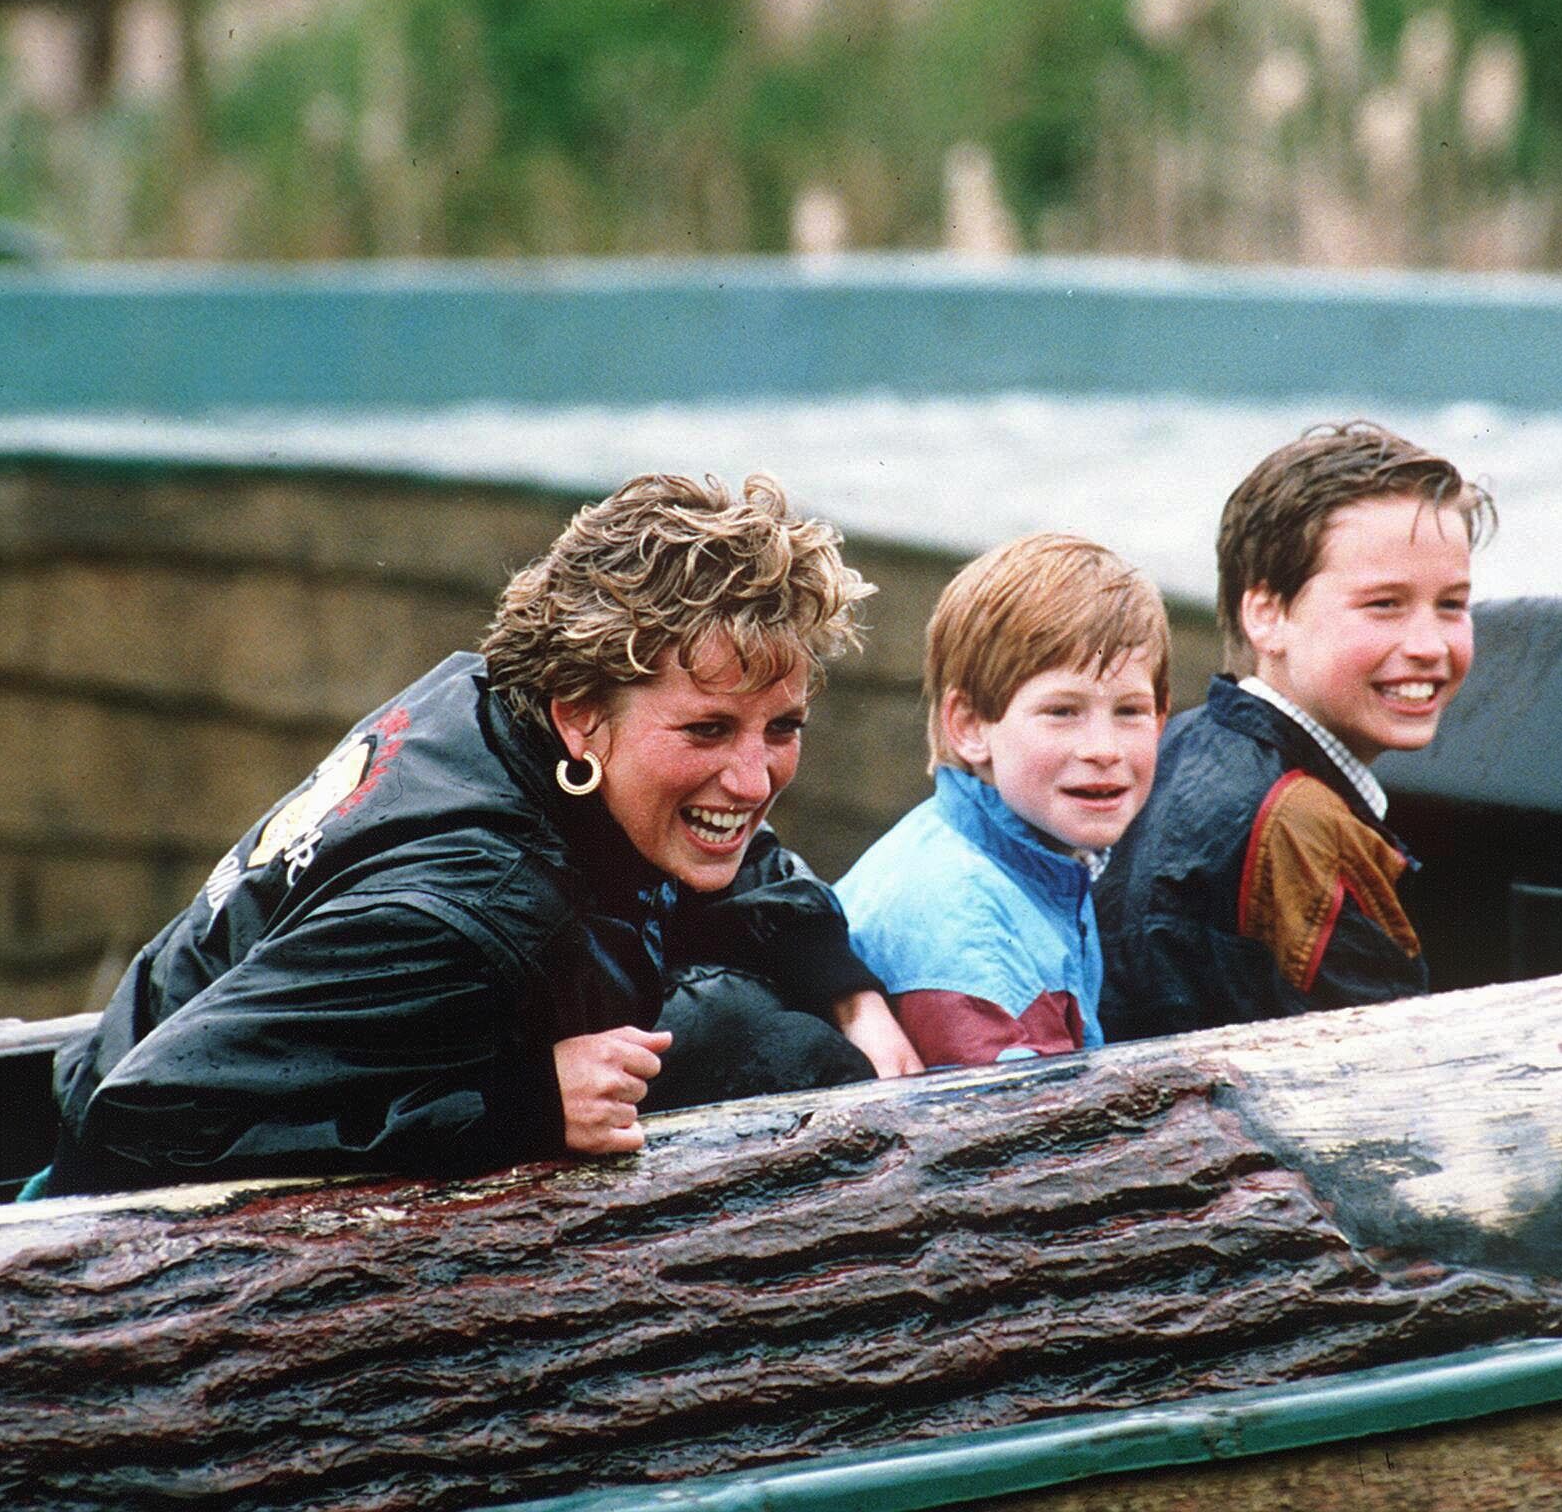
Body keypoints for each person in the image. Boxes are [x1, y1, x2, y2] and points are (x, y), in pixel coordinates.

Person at [45, 473, 922, 1196]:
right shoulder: (471, 902)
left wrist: (844, 984)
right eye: (707, 731)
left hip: (187, 1049)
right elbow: (139, 1121)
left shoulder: (497, 703)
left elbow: (724, 840)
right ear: (581, 718)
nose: (754, 777)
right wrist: (525, 1107)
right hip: (113, 1224)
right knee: (771, 1049)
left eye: (783, 729)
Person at [1095, 422, 1494, 1040]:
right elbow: (1391, 1073)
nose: (1428, 645)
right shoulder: (1302, 824)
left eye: (1452, 604)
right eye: (1383, 604)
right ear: (1268, 614)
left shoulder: (1182, 741)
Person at [835, 534, 1169, 1067]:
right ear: (970, 726)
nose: (1104, 750)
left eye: (1130, 711)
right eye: (1062, 711)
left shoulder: (1023, 856)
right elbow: (1024, 1137)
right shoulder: (970, 940)